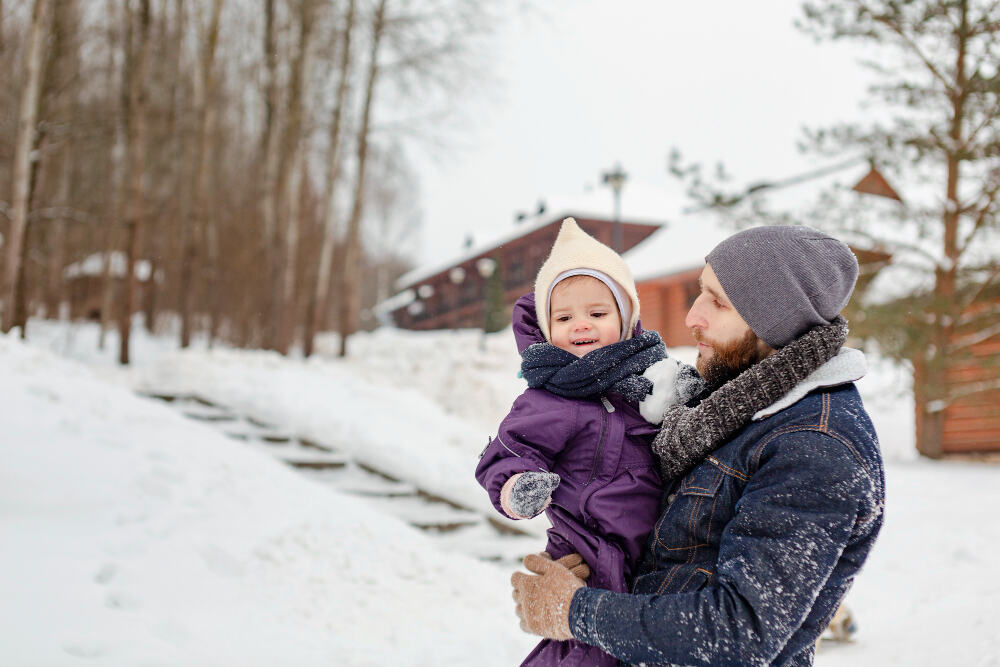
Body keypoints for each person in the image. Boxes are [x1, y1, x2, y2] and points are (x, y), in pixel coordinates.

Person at [510, 225, 886, 667]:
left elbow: (739, 631)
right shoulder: (726, 408)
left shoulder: (816, 446)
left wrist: (575, 611)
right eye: (698, 292)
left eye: (718, 301)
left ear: (774, 321)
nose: (692, 317)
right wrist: (593, 568)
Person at [475, 218, 703, 667]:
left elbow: (690, 421)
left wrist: (691, 396)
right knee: (585, 654)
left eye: (597, 313)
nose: (581, 325)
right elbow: (507, 452)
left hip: (653, 550)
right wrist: (517, 485)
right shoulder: (547, 399)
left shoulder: (652, 380)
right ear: (545, 326)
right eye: (564, 317)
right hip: (587, 553)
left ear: (625, 318)